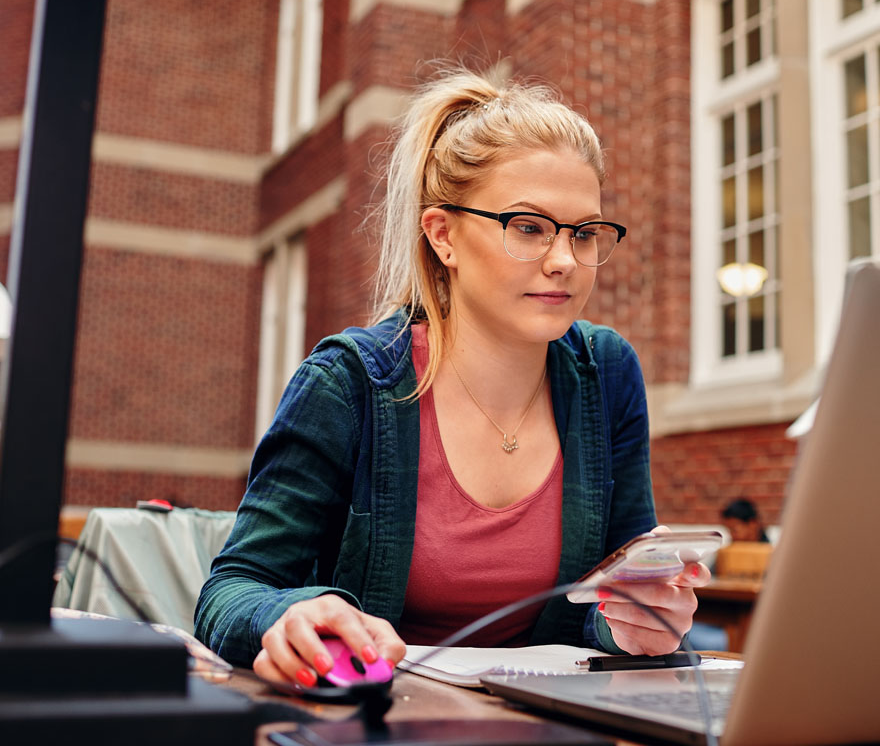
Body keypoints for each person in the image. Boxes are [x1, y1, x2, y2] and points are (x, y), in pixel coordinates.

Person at [194, 67, 710, 688]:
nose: (565, 261)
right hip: (378, 719)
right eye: (528, 227)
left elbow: (602, 607)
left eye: (585, 232)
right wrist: (293, 611)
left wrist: (633, 621)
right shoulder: (348, 381)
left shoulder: (607, 374)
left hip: (551, 722)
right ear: (443, 236)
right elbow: (229, 592)